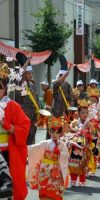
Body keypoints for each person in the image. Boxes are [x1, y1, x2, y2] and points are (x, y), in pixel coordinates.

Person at [0, 62, 31, 200]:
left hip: (7, 154)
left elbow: (24, 127)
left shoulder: (12, 106)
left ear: (5, 88)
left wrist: (6, 125)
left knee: (8, 188)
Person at [28, 116, 69, 200]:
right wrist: (23, 149)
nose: (54, 134)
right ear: (49, 132)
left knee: (55, 192)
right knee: (44, 191)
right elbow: (33, 149)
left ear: (60, 133)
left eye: (57, 132)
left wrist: (60, 154)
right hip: (45, 170)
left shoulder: (62, 145)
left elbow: (66, 156)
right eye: (52, 131)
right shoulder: (44, 143)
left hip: (57, 171)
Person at [15, 52, 39, 145]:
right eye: (29, 73)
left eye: (31, 73)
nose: (31, 75)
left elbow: (36, 100)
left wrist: (38, 115)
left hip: (33, 118)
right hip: (23, 117)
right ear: (24, 73)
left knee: (32, 139)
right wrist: (27, 62)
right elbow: (19, 75)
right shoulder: (19, 84)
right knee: (23, 141)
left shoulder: (32, 85)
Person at [68, 99, 93, 186]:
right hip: (76, 146)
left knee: (83, 163)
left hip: (85, 146)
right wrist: (75, 134)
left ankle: (82, 180)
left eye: (86, 113)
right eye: (83, 112)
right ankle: (73, 179)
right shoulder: (74, 123)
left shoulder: (89, 124)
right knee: (73, 163)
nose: (85, 115)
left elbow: (91, 134)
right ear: (78, 113)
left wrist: (88, 135)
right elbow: (70, 132)